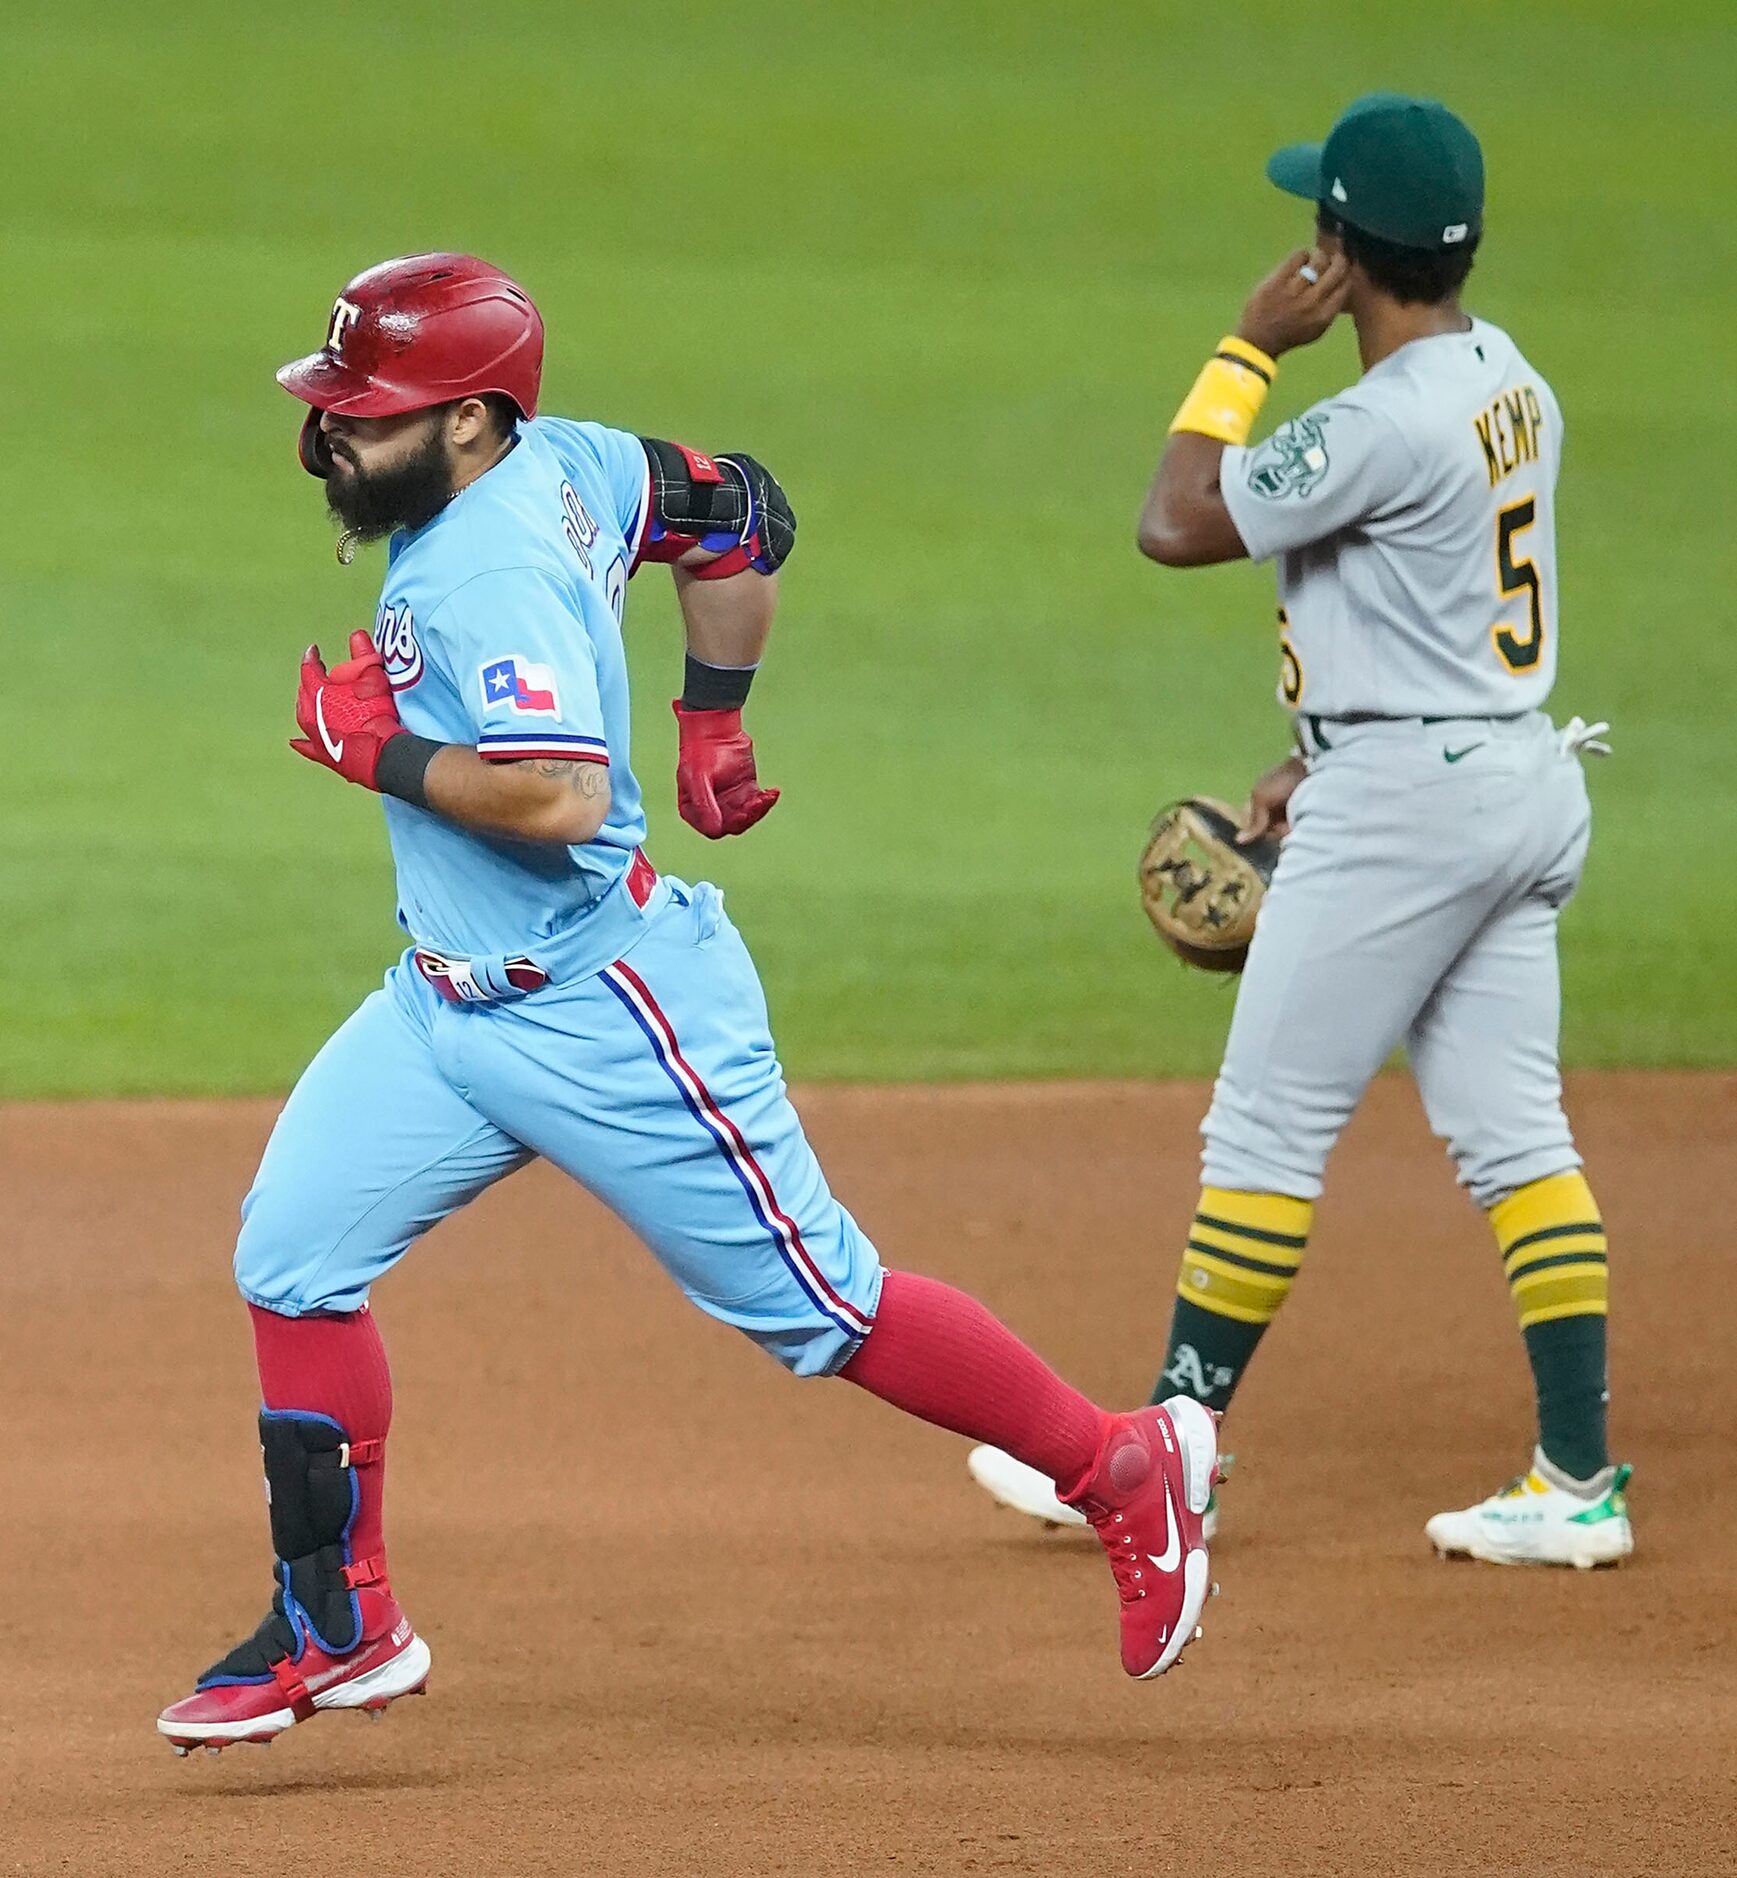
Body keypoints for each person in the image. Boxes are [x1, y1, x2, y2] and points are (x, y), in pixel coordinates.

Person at [157, 253, 1220, 1753]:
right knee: (293, 1253)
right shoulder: (569, 456)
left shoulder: (487, 568)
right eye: (330, 399)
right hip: (445, 1008)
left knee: (824, 1306)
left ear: (469, 422)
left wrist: (367, 752)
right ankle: (341, 1626)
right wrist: (712, 719)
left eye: (369, 408)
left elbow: (557, 794)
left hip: (605, 1007)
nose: (332, 432)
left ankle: (1121, 1461)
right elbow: (737, 508)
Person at [966, 96, 1630, 1570]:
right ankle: (1577, 1479)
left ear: (1341, 253)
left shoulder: (1368, 423)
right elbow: (1434, 595)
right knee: (1517, 1133)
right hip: (1508, 773)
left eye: (1313, 228)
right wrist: (1311, 747)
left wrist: (1246, 343)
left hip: (1408, 814)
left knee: (1265, 1127)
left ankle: (1162, 1458)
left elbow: (1177, 515)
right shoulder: (1507, 376)